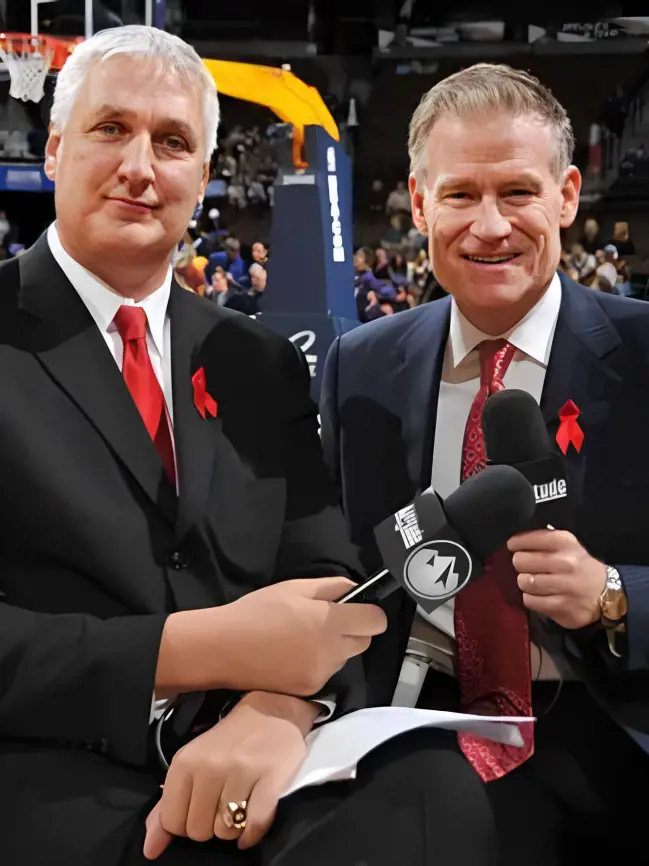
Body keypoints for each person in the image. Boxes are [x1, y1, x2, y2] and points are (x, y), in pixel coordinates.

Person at [0, 26, 497, 866]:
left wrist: (277, 706)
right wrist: (189, 652)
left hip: (255, 748)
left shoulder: (256, 359)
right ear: (53, 150)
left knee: (432, 793)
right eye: (110, 129)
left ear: (200, 176)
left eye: (172, 142)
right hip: (47, 765)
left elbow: (323, 565)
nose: (140, 166)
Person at [321, 63, 649, 866]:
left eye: (517, 192)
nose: (489, 225)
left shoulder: (641, 356)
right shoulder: (359, 363)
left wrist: (611, 595)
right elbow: (332, 555)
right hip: (412, 717)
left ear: (566, 196)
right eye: (461, 195)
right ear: (419, 202)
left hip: (606, 714)